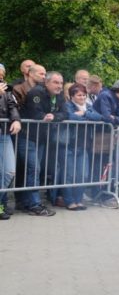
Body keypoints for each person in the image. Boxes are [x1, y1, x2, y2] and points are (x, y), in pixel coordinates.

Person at [17, 71, 67, 216]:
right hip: (27, 137)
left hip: (42, 139)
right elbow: (35, 114)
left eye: (61, 83)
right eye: (56, 82)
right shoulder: (36, 93)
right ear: (46, 82)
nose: (59, 86)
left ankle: (27, 202)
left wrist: (54, 116)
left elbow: (65, 114)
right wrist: (46, 117)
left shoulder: (59, 95)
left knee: (33, 170)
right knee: (34, 169)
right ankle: (33, 204)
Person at [63, 83, 103, 210]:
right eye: (79, 95)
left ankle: (79, 200)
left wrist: (84, 114)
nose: (82, 98)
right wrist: (84, 117)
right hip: (69, 144)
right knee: (69, 175)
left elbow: (98, 117)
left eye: (84, 95)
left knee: (83, 175)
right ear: (72, 96)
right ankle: (70, 201)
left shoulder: (88, 106)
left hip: (84, 144)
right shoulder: (67, 105)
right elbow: (69, 116)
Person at [0, 63, 22, 220]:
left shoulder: (6, 90)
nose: (1, 77)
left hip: (4, 134)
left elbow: (12, 106)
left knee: (9, 172)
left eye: (2, 74)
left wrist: (16, 120)